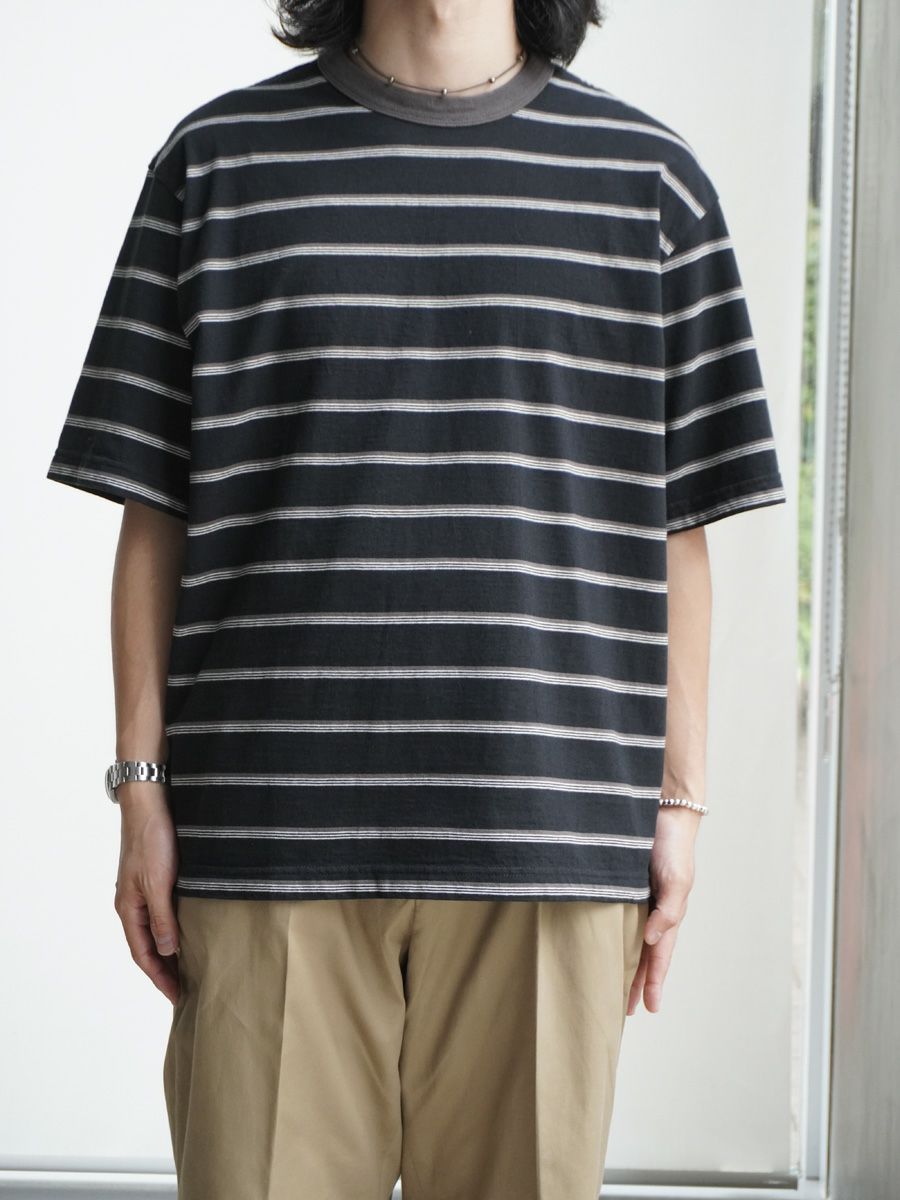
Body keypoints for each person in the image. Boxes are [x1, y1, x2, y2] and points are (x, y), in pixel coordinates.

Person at [46, 0, 787, 1195]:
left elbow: (678, 528)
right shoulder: (216, 164)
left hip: (549, 841)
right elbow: (155, 509)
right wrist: (139, 788)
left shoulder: (653, 183)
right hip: (267, 841)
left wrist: (680, 806)